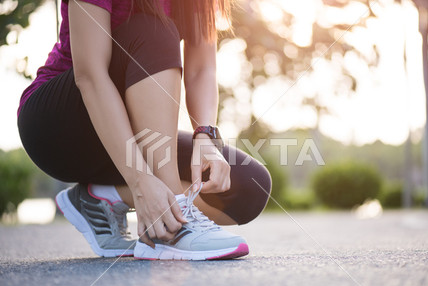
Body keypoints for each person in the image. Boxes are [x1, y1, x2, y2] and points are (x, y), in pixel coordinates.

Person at [17, 0, 271, 260]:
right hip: (62, 127)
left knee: (248, 186)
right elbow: (90, 76)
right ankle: (170, 229)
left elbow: (201, 69)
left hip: (132, 130)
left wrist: (206, 138)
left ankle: (97, 200)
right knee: (152, 28)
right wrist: (139, 179)